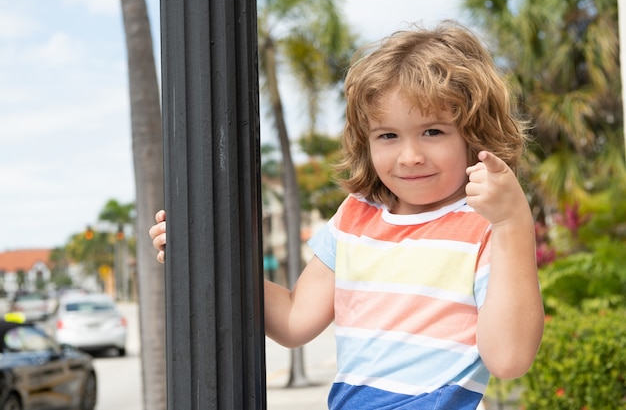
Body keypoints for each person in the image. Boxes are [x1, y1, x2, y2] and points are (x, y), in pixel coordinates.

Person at [149, 21, 544, 410]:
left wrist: (512, 223)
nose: (410, 156)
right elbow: (292, 321)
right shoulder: (356, 216)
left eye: (433, 132)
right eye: (388, 135)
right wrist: (208, 256)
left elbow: (509, 359)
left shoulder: (483, 226)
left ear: (474, 133)